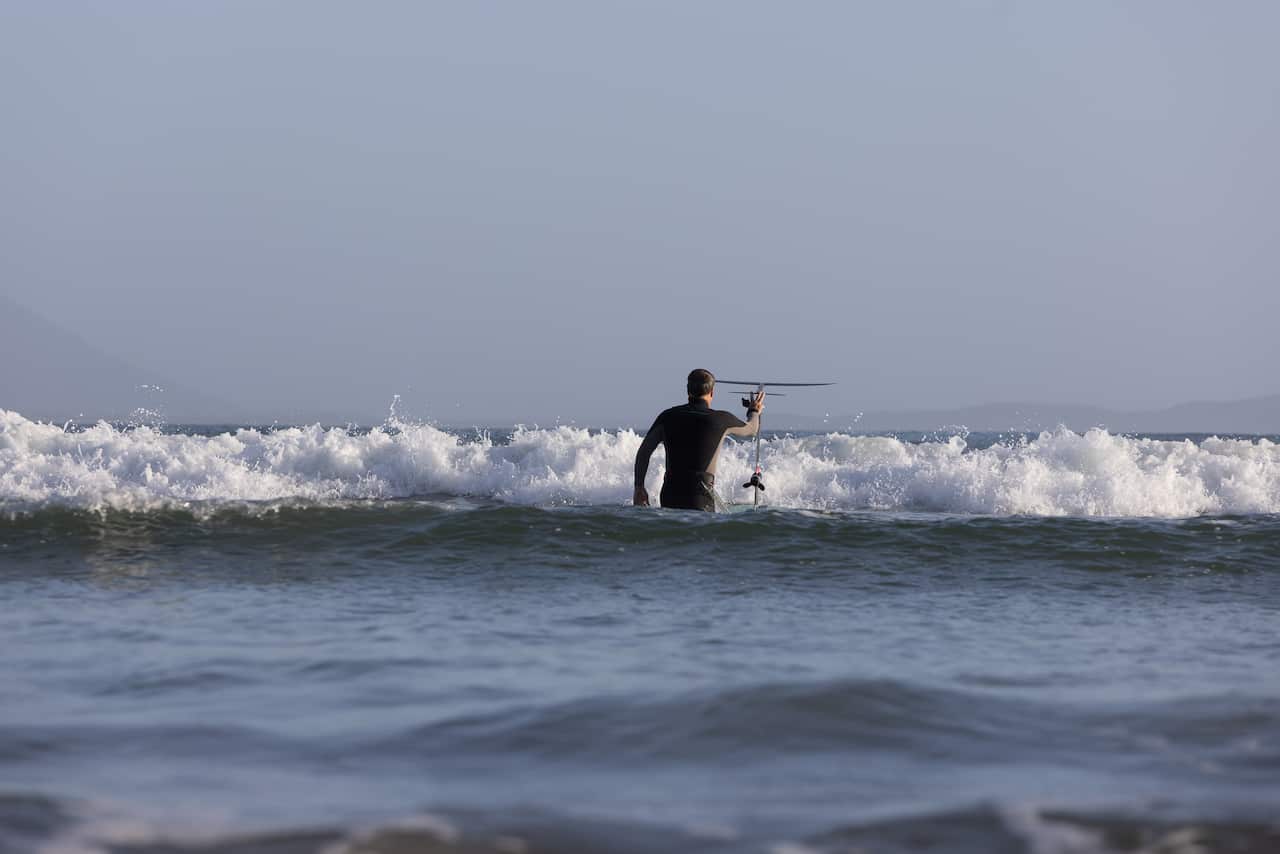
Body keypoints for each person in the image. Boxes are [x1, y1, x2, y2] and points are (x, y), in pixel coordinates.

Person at [633, 369, 764, 511]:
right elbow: (752, 429)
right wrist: (754, 411)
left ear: (687, 391)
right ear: (712, 393)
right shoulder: (721, 419)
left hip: (670, 494)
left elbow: (644, 451)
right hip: (701, 498)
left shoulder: (667, 417)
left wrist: (639, 487)